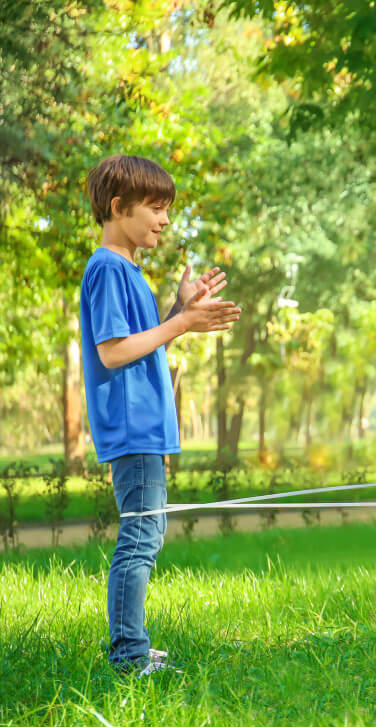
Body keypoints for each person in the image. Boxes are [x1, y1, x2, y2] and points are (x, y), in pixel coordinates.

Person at [81, 154, 241, 674]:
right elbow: (113, 352)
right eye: (155, 208)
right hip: (133, 429)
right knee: (141, 536)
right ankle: (128, 655)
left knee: (145, 533)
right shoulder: (107, 268)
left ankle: (131, 645)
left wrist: (178, 312)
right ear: (118, 206)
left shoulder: (127, 268)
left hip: (145, 427)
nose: (165, 220)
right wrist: (184, 323)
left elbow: (141, 345)